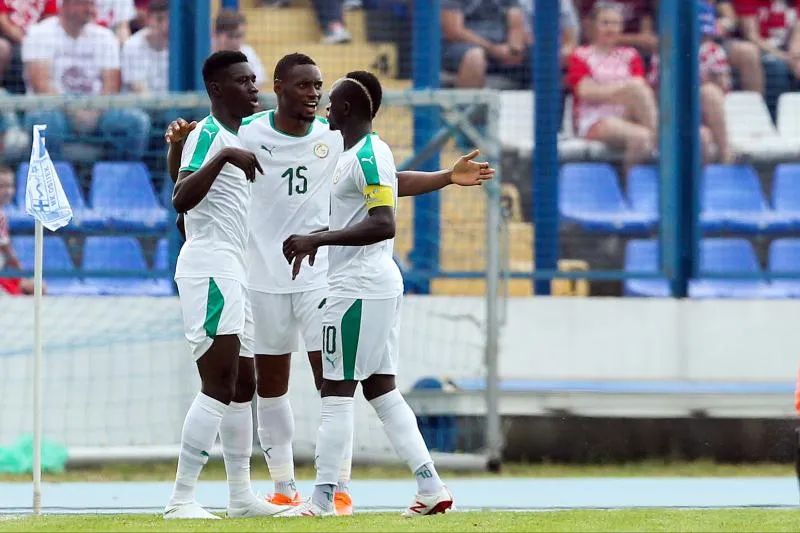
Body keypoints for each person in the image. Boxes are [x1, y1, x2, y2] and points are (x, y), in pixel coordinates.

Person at [164, 54, 494, 517]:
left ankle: (335, 490)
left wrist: (443, 177)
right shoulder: (246, 131)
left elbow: (386, 183)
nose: (316, 98)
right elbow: (187, 188)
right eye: (305, 86)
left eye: (321, 89)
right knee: (263, 386)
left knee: (335, 383)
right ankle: (282, 488)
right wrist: (179, 148)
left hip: (324, 277)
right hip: (256, 274)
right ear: (279, 88)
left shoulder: (336, 140)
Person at [279, 71, 455, 518]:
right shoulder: (353, 156)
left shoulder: (370, 153)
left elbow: (384, 222)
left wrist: (318, 241)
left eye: (331, 104)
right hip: (368, 286)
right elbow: (387, 192)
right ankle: (430, 485)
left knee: (336, 393)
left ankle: (322, 499)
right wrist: (312, 236)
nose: (324, 110)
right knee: (382, 391)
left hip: (357, 289)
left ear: (347, 110)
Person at [164, 50, 290, 520]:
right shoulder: (211, 136)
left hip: (233, 268)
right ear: (218, 89)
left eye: (254, 80)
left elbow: (185, 207)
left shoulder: (231, 136)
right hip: (211, 267)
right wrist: (224, 156)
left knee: (244, 385)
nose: (253, 89)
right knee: (218, 383)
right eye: (243, 81)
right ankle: (180, 500)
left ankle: (240, 497)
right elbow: (181, 197)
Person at [566, 1, 657, 174]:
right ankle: (627, 188)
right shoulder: (581, 55)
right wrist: (625, 90)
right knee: (641, 137)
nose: (611, 29)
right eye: (605, 23)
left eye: (615, 24)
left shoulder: (630, 55)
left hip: (627, 115)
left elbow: (640, 93)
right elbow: (585, 92)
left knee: (639, 96)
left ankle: (635, 186)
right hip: (595, 119)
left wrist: (615, 92)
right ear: (593, 26)